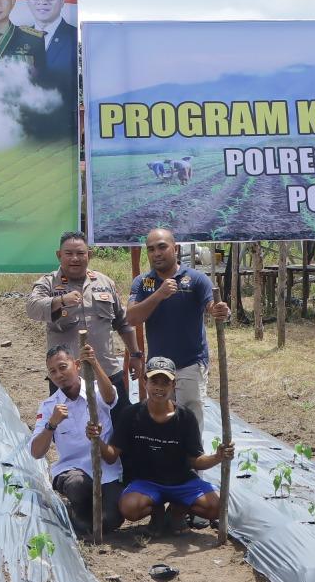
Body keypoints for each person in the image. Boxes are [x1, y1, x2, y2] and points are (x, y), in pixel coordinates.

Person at [96, 357, 234, 532]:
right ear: (145, 381)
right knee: (129, 508)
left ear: (173, 384)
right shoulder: (131, 415)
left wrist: (218, 457)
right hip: (146, 482)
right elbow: (110, 456)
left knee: (217, 506)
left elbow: (196, 460)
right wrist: (97, 440)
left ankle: (178, 510)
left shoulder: (185, 417)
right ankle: (157, 511)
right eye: (154, 381)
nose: (159, 388)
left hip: (182, 482)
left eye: (165, 382)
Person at [125, 227, 231, 427]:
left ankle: (192, 459)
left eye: (162, 247)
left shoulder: (196, 279)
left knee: (189, 422)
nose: (156, 253)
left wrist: (220, 311)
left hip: (190, 365)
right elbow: (131, 318)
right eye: (151, 249)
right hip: (158, 368)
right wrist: (159, 294)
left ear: (176, 248)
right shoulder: (143, 283)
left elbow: (212, 306)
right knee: (159, 423)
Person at [26, 230, 139, 408]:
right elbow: (32, 308)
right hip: (67, 379)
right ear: (58, 255)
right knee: (70, 430)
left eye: (80, 253)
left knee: (120, 425)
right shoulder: (48, 283)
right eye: (69, 254)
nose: (75, 259)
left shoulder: (104, 283)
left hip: (106, 372)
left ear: (89, 255)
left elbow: (122, 323)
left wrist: (135, 354)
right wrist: (61, 300)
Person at [29, 343, 123, 537]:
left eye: (63, 367)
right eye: (52, 372)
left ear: (77, 365)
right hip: (72, 470)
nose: (58, 375)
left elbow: (111, 396)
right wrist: (51, 425)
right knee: (77, 486)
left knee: (112, 519)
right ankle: (77, 512)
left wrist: (95, 364)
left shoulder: (97, 391)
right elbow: (36, 452)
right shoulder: (49, 407)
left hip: (106, 471)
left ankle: (87, 515)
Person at [24, 0, 76, 107]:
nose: (43, 0)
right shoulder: (16, 38)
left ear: (63, 0)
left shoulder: (74, 37)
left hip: (63, 124)